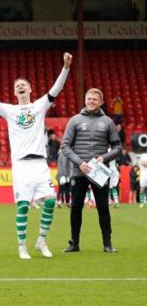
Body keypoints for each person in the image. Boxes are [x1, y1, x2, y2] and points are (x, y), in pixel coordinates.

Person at [0, 52, 72, 260]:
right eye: (17, 86)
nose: (21, 87)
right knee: (23, 205)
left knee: (50, 202)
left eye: (24, 84)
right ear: (14, 92)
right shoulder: (9, 110)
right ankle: (22, 246)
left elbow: (56, 89)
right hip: (21, 166)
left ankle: (41, 240)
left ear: (31, 89)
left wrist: (66, 67)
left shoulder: (39, 106)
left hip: (40, 163)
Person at [61, 88, 122, 253]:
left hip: (99, 172)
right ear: (85, 100)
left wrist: (104, 158)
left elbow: (118, 148)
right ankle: (74, 243)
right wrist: (79, 162)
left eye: (95, 99)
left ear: (100, 102)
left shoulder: (108, 122)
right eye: (89, 98)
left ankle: (107, 244)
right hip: (79, 171)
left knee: (103, 207)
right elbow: (65, 146)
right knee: (76, 208)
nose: (91, 101)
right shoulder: (75, 120)